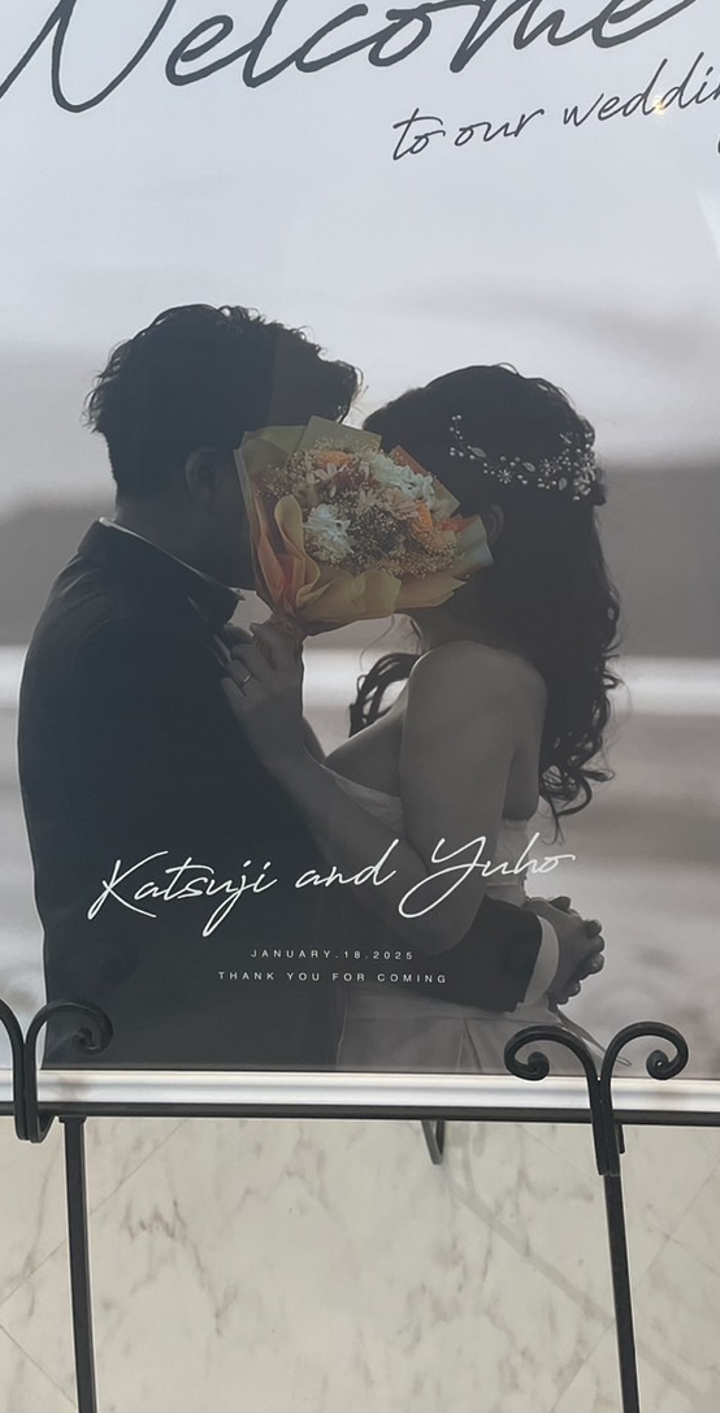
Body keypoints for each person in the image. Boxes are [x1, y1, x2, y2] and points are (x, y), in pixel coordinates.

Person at [17, 307, 597, 1070]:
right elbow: (259, 903)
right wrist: (532, 947)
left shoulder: (163, 621)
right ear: (206, 478)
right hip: (182, 1078)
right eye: (296, 466)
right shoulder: (133, 642)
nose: (327, 498)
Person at [225, 365, 616, 1071]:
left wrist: (287, 759)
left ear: (478, 529)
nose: (357, 519)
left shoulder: (465, 674)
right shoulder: (473, 668)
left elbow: (438, 914)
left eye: (393, 496)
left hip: (436, 1048)